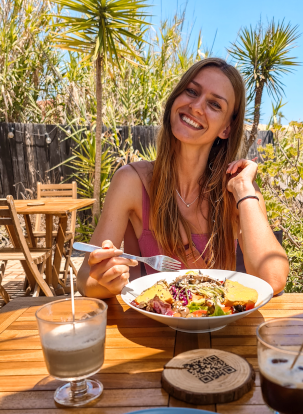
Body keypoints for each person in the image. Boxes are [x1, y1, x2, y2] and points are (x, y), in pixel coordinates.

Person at [77, 58, 289, 299]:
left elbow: (272, 279)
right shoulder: (131, 182)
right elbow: (85, 277)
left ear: (226, 129)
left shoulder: (238, 188)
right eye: (191, 91)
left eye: (214, 104)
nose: (196, 107)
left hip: (221, 330)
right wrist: (105, 281)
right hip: (152, 330)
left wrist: (243, 189)